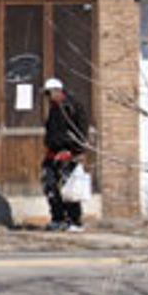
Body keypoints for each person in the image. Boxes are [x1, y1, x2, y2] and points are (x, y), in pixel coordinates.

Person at [41, 77, 90, 232]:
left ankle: (74, 220)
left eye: (49, 93)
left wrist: (74, 150)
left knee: (69, 188)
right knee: (50, 186)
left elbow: (81, 132)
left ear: (57, 91)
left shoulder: (72, 107)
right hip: (52, 154)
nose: (48, 97)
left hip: (69, 154)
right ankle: (58, 218)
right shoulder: (54, 108)